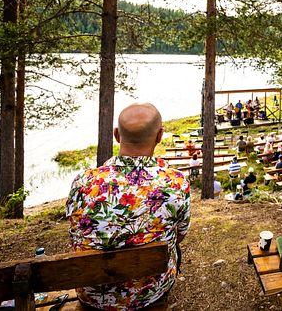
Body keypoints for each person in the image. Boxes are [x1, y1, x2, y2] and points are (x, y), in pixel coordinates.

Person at [66, 103, 190, 310]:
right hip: (149, 295)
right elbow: (180, 235)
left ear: (116, 135)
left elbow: (75, 233)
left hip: (93, 299)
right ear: (160, 136)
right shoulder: (175, 183)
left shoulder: (83, 182)